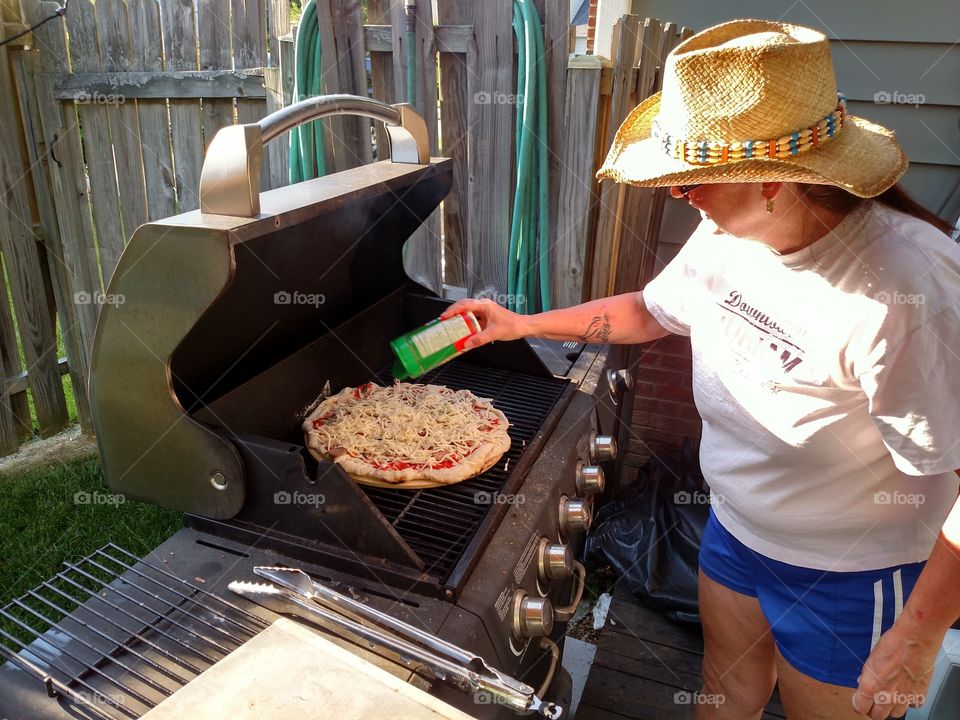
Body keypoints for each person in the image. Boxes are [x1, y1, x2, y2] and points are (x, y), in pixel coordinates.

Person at [442, 19, 960, 720]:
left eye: (691, 183)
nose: (677, 196)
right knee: (724, 688)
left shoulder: (908, 290)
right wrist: (521, 325)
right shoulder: (729, 233)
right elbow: (651, 313)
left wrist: (919, 638)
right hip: (736, 529)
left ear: (773, 180)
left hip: (851, 571)